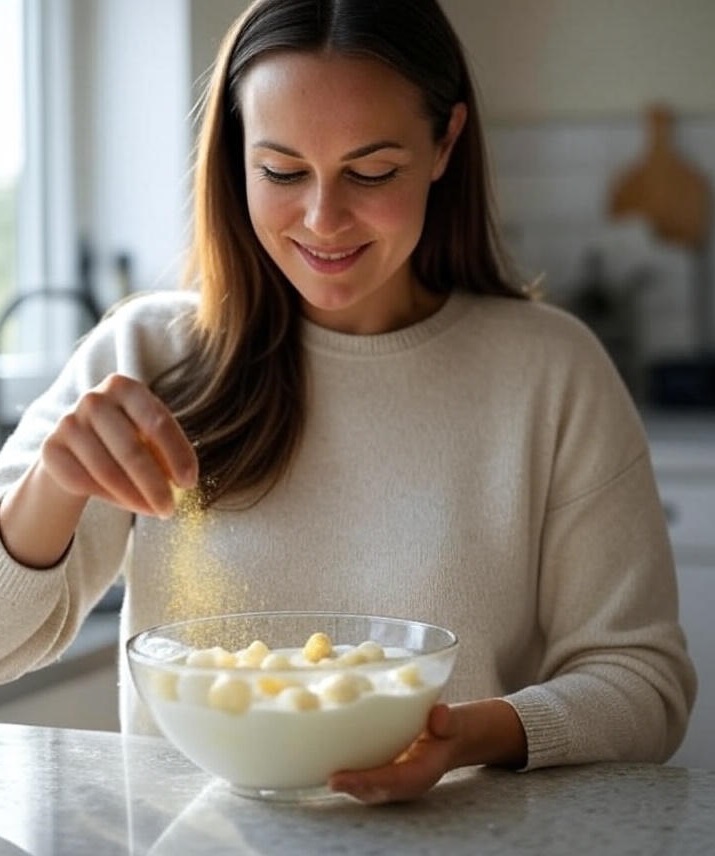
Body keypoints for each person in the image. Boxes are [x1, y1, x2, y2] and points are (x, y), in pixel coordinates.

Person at [0, 0, 696, 804]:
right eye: (281, 171)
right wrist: (49, 491)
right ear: (235, 156)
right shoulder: (143, 356)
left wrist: (464, 735)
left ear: (445, 144)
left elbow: (644, 684)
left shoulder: (551, 372)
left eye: (371, 172)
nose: (323, 219)